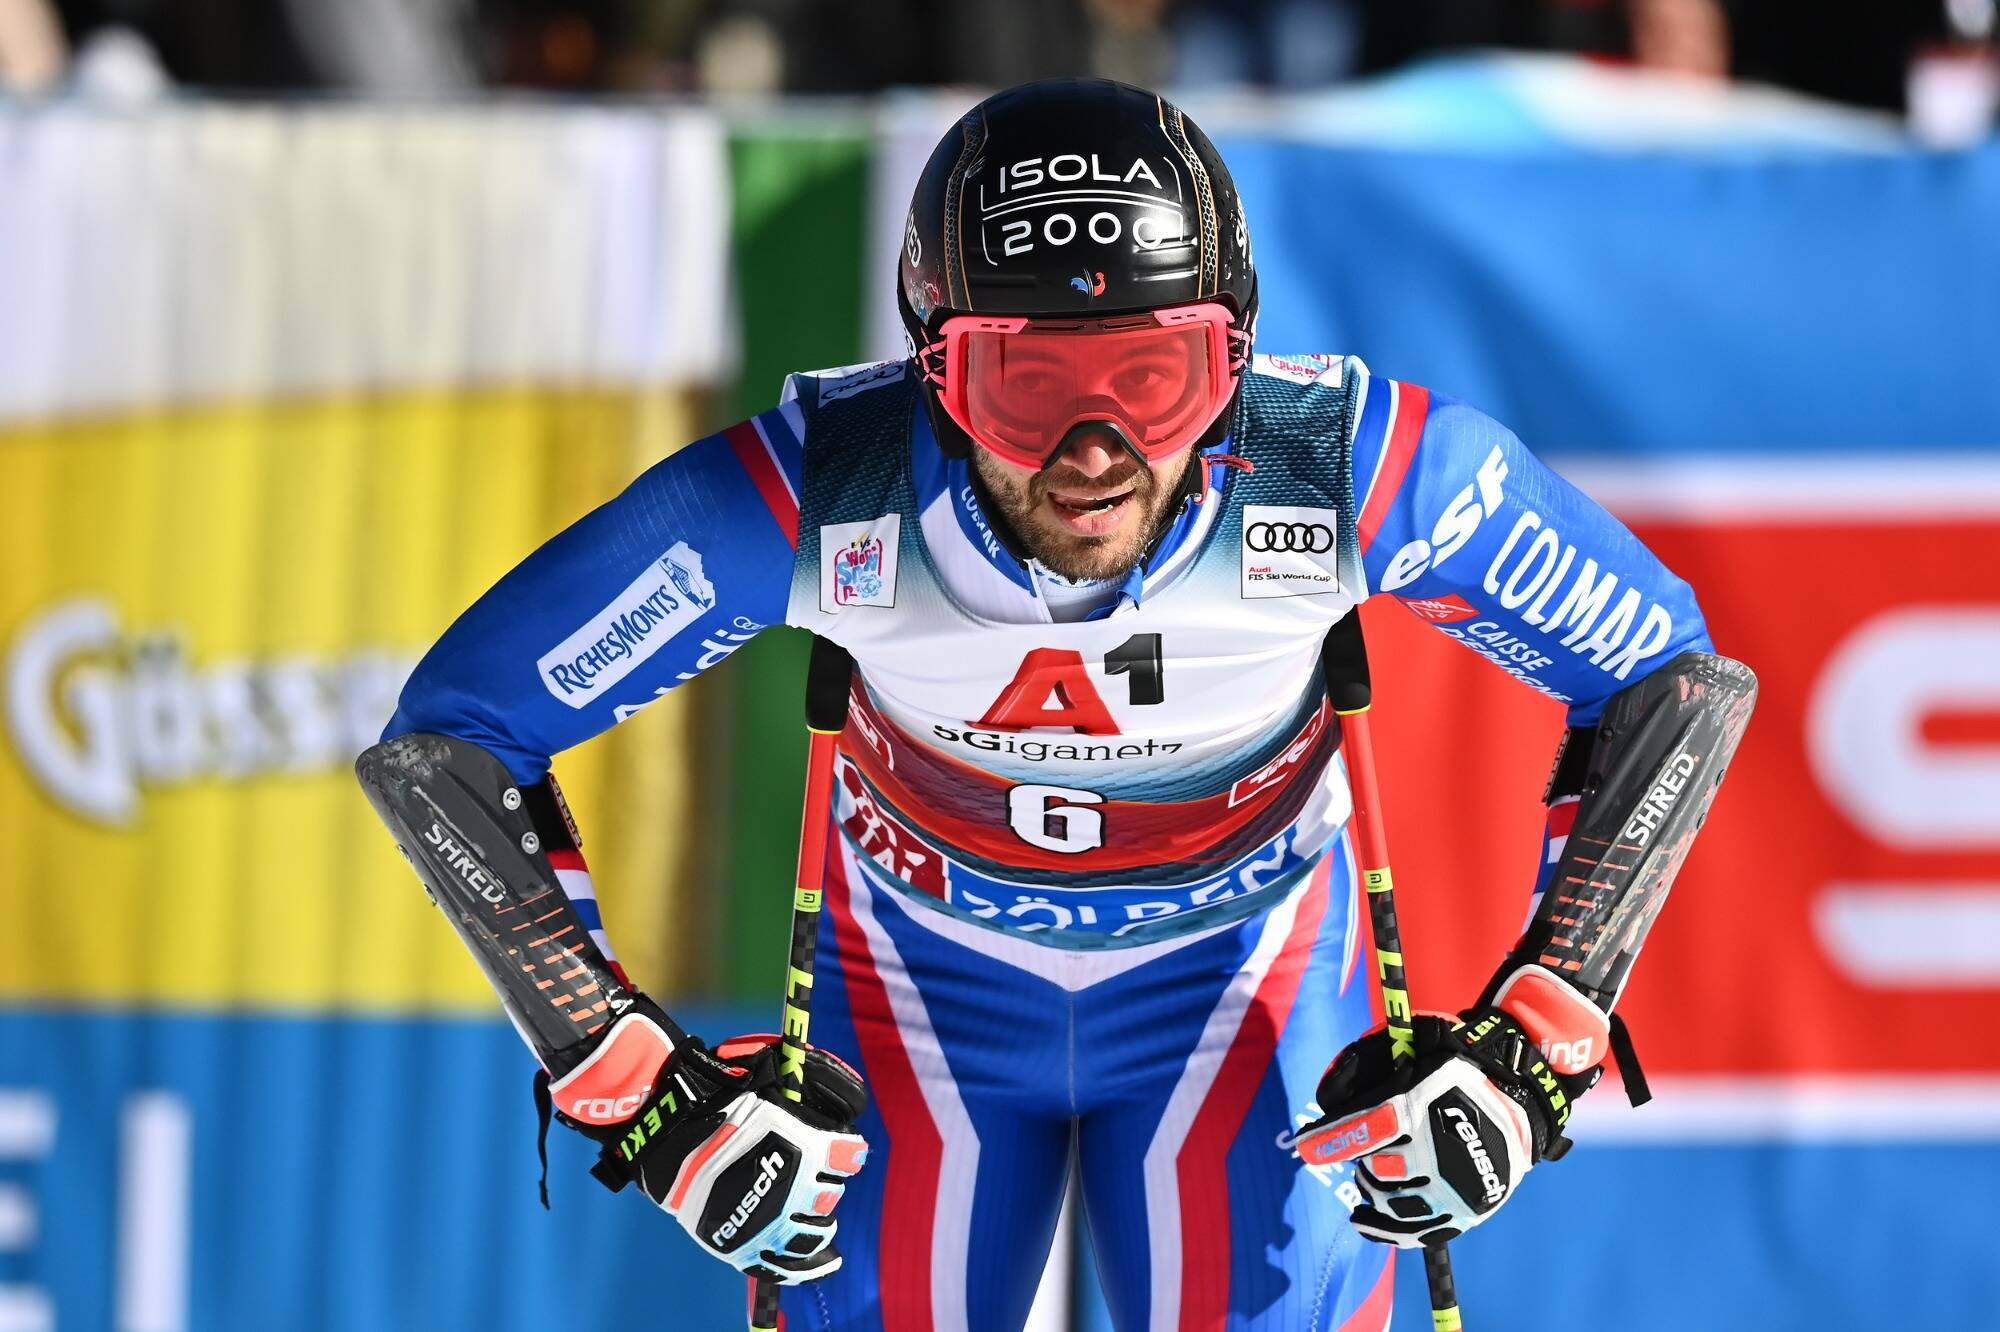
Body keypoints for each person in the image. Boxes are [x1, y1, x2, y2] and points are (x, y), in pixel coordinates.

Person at [357, 78, 1756, 1332]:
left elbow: (1670, 678)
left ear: (1235, 359)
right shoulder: (833, 481)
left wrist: (1536, 1050)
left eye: (1154, 379)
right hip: (915, 994)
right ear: (932, 362)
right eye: (1024, 384)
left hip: (1240, 981)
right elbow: (450, 742)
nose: (1095, 457)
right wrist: (640, 1095)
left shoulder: (1333, 464)